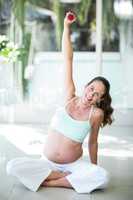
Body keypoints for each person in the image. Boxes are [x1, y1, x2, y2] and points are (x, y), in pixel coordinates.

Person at [6, 12, 114, 194]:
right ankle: (56, 176)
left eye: (97, 94)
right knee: (11, 166)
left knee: (103, 177)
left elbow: (93, 143)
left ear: (100, 99)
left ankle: (50, 181)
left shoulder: (96, 114)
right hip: (46, 162)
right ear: (86, 86)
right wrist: (66, 26)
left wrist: (93, 170)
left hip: (73, 165)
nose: (91, 94)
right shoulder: (69, 96)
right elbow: (67, 59)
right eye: (91, 89)